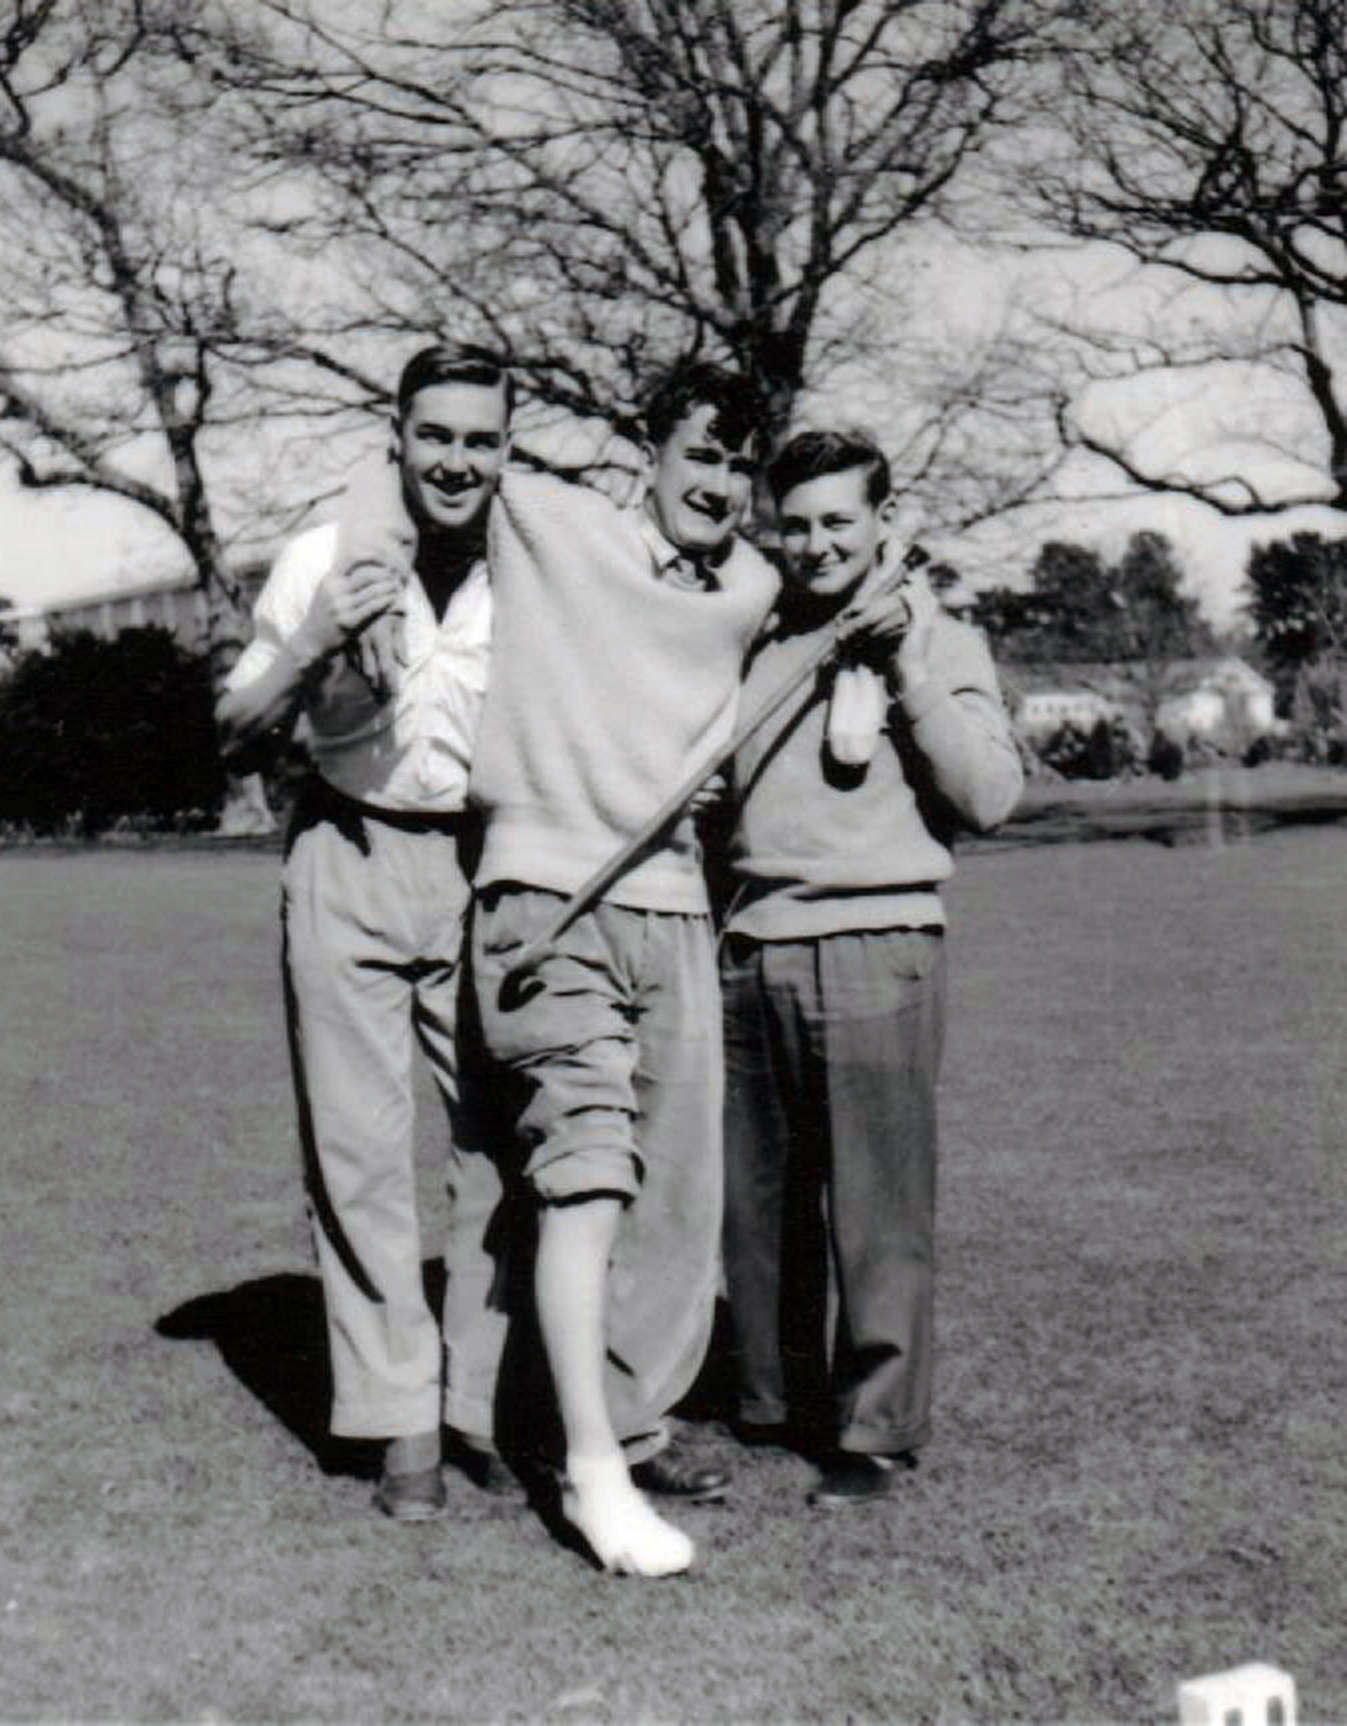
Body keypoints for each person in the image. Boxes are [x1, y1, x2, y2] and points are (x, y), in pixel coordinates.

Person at [464, 364, 782, 1576]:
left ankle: (623, 1424)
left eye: (736, 463)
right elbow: (436, 472)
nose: (718, 482)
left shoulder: (751, 586)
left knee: (679, 1195)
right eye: (698, 453)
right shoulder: (557, 523)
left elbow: (853, 570)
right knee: (587, 1173)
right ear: (645, 455)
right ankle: (593, 1473)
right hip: (547, 896)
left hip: (675, 904)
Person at [215, 343, 516, 1523]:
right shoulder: (320, 559)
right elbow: (234, 731)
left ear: (506, 449)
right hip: (343, 852)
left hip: (483, 863)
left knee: (498, 1146)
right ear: (395, 436)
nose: (455, 459)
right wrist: (313, 643)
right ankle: (401, 1422)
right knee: (357, 1153)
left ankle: (484, 1395)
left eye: (479, 438)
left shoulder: (531, 570)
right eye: (433, 434)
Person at [718, 428, 1023, 1508]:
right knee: (753, 1207)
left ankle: (876, 1429)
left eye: (837, 519)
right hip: (749, 947)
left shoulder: (938, 637)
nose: (813, 544)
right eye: (792, 523)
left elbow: (989, 795)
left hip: (878, 944)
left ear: (884, 521)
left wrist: (899, 664)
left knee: (877, 1208)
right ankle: (768, 1400)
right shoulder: (750, 636)